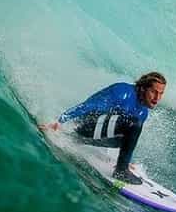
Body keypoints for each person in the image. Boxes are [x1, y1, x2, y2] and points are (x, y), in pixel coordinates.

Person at [39, 72, 167, 185]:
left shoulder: (142, 112)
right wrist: (60, 120)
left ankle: (75, 140)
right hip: (85, 125)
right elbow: (88, 106)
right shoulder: (122, 92)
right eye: (154, 92)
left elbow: (128, 138)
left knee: (131, 131)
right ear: (144, 89)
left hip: (92, 135)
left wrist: (126, 159)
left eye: (161, 93)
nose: (157, 98)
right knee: (134, 124)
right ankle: (121, 172)